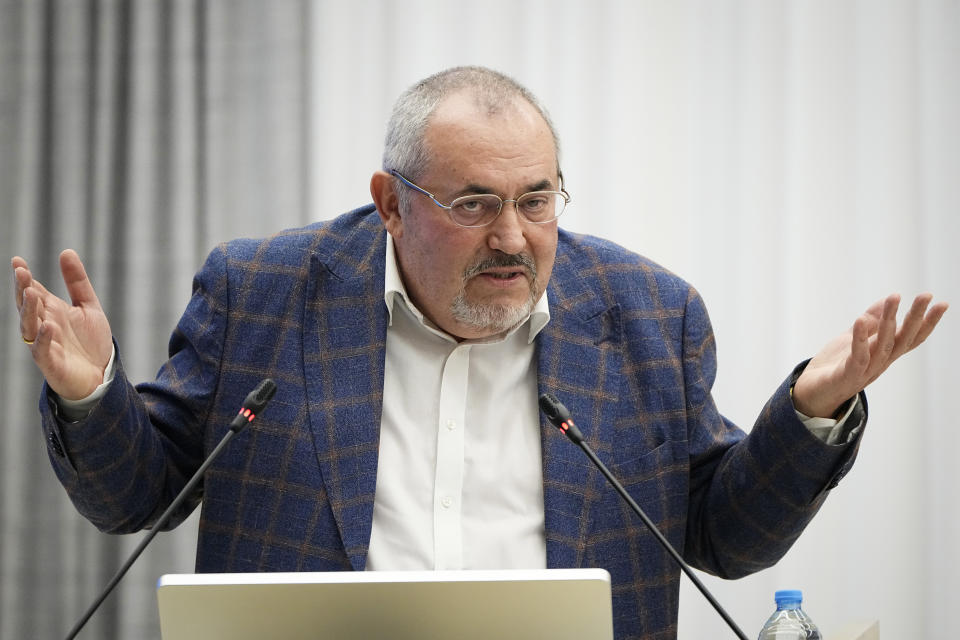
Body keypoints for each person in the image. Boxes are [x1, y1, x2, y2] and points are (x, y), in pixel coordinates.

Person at [11, 66, 948, 639]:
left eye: (537, 200)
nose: (513, 237)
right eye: (474, 205)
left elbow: (722, 538)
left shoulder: (647, 315)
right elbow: (143, 495)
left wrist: (812, 411)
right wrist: (93, 393)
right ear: (391, 201)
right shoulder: (263, 292)